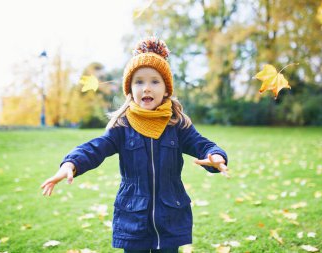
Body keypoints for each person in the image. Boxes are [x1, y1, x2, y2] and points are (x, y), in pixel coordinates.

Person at [41, 36, 229, 253]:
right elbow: (95, 147)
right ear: (130, 89)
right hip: (133, 216)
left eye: (154, 81)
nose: (146, 88)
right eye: (139, 81)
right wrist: (71, 163)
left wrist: (216, 156)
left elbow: (202, 144)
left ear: (167, 89)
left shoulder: (177, 125)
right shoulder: (122, 126)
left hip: (170, 216)